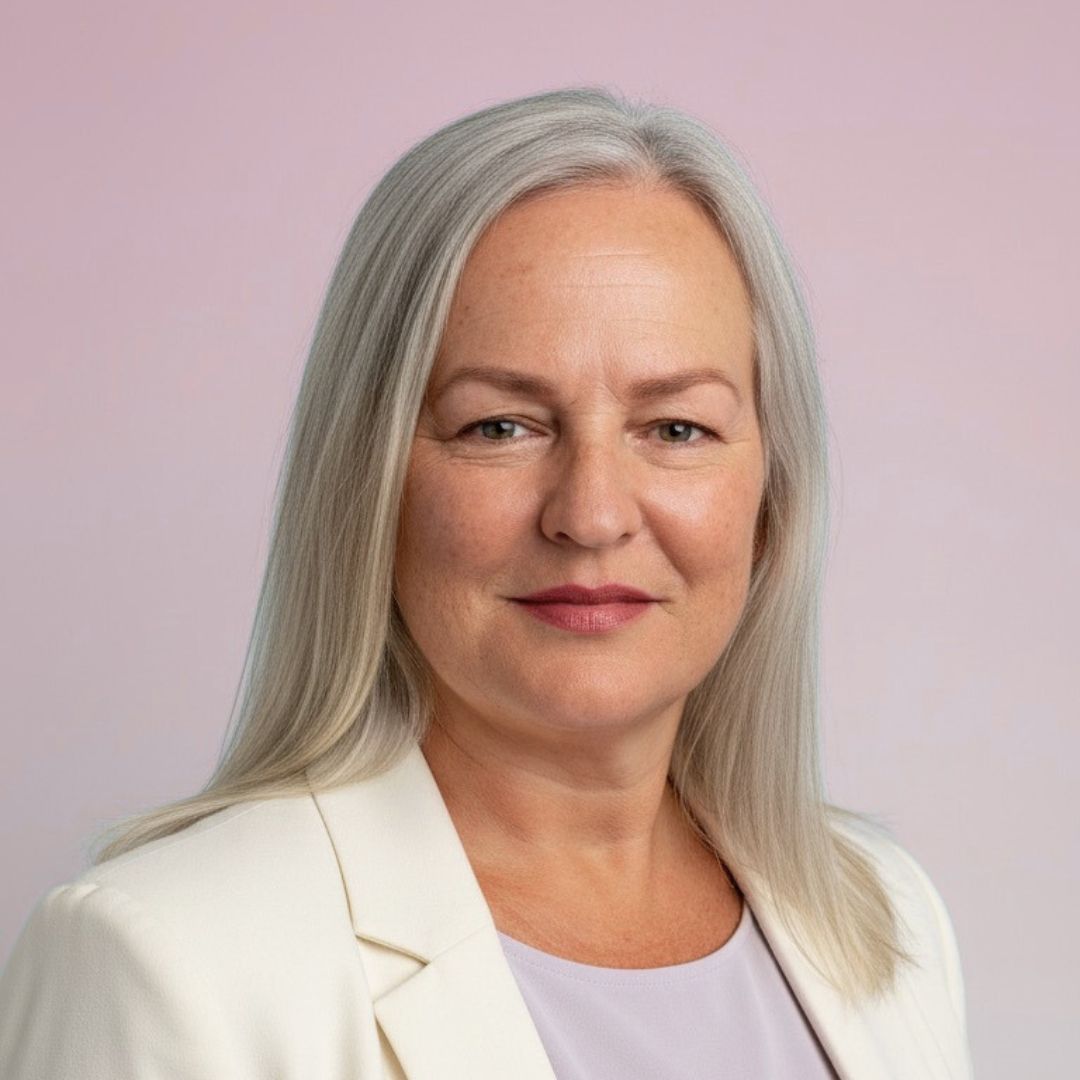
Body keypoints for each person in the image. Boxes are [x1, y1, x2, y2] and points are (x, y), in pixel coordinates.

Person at [0, 85, 973, 1079]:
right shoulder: (164, 962)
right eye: (499, 427)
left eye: (676, 428)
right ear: (369, 482)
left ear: (772, 494)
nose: (591, 515)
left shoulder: (887, 919)